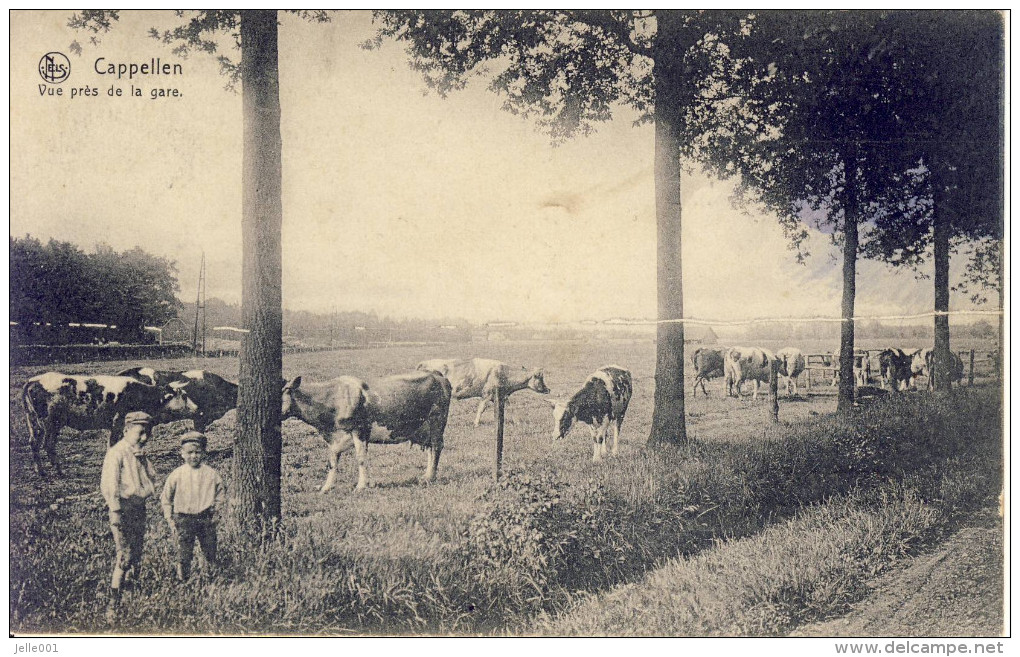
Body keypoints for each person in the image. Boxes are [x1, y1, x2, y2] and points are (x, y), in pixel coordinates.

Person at [99, 410, 158, 622]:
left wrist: (144, 462)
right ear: (126, 431)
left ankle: (133, 592)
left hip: (138, 507)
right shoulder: (116, 453)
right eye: (140, 433)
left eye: (148, 434)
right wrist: (114, 510)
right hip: (122, 509)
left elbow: (152, 479)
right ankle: (114, 602)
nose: (144, 438)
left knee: (137, 551)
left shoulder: (140, 454)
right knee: (123, 555)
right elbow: (110, 485)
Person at [160, 431, 226, 582]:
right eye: (189, 452)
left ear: (203, 453)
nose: (194, 456)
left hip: (205, 517)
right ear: (182, 453)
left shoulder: (211, 474)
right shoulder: (177, 474)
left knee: (210, 548)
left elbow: (220, 494)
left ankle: (211, 576)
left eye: (197, 452)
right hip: (183, 519)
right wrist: (169, 518)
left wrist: (215, 511)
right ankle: (183, 578)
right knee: (184, 551)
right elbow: (166, 497)